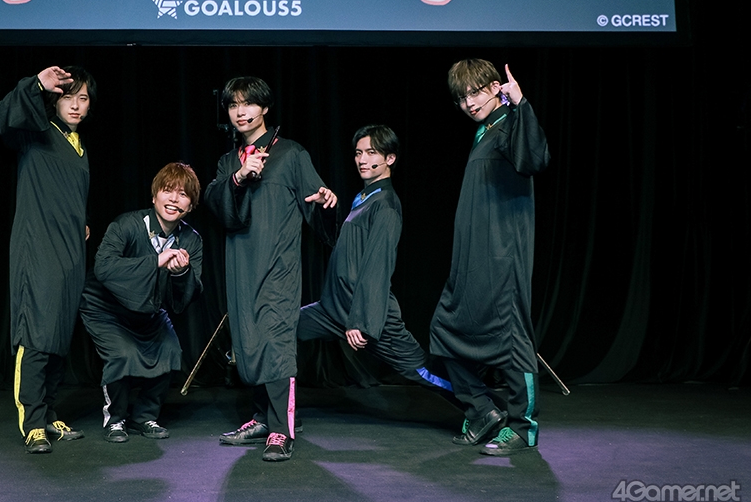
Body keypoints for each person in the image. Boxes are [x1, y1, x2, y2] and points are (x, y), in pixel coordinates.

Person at [203, 76, 337, 462]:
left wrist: (325, 203)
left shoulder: (291, 154)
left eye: (248, 103)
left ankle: (281, 430)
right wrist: (238, 178)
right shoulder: (228, 161)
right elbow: (217, 208)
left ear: (264, 108)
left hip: (279, 267)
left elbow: (318, 210)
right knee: (249, 341)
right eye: (233, 105)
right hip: (241, 266)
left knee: (276, 343)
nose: (240, 112)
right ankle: (261, 418)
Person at [429, 60, 550, 456]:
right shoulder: (486, 130)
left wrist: (521, 103)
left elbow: (533, 160)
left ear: (495, 87)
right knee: (445, 329)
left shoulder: (511, 121)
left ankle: (522, 427)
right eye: (461, 97)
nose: (469, 103)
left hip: (503, 254)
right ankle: (483, 411)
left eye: (475, 93)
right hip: (475, 256)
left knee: (512, 336)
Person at [298, 125, 452, 394]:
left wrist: (360, 322)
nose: (362, 159)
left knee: (422, 371)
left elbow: (377, 267)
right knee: (283, 329)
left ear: (389, 158)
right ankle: (279, 410)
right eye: (358, 153)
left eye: (371, 152)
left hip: (369, 315)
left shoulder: (386, 205)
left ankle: (482, 406)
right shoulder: (363, 198)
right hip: (333, 309)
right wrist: (326, 210)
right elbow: (343, 245)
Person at [0, 65, 95, 454]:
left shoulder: (77, 144)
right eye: (68, 97)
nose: (76, 105)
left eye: (83, 98)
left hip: (69, 252)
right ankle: (33, 422)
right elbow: (3, 117)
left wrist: (79, 223)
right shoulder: (37, 133)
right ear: (53, 102)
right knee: (36, 333)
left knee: (58, 335)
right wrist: (36, 85)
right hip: (38, 249)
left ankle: (49, 413)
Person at [80, 162, 203, 443]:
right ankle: (115, 419)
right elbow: (104, 267)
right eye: (167, 190)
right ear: (154, 195)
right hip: (106, 307)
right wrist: (155, 261)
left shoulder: (191, 240)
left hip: (148, 311)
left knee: (170, 350)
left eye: (183, 194)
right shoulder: (127, 224)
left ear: (191, 205)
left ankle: (144, 416)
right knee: (122, 355)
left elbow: (190, 295)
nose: (174, 199)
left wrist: (181, 273)